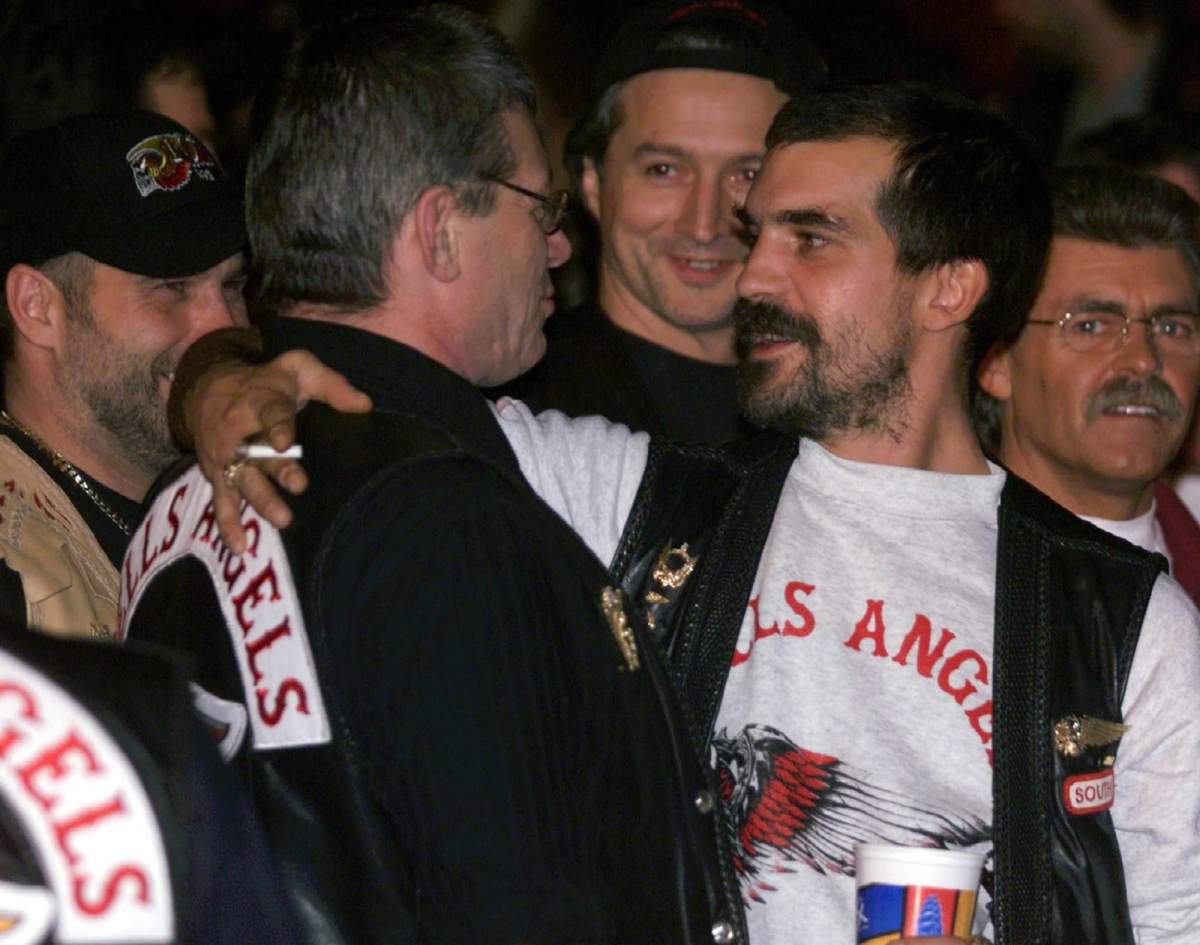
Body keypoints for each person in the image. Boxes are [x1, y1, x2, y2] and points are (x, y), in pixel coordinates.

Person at [169, 83, 1200, 944]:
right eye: (762, 237)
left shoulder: (1120, 627)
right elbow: (358, 368)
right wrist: (217, 376)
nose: (754, 275)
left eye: (811, 239)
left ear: (948, 289)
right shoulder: (640, 500)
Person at [119, 6, 731, 945]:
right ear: (441, 230)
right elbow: (526, 910)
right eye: (541, 209)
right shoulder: (445, 520)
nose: (561, 248)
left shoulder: (185, 486)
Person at [493, 0, 825, 443]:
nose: (703, 225)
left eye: (749, 174)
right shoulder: (511, 417)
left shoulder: (847, 410)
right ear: (593, 182)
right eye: (664, 170)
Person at [0, 110, 247, 639]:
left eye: (232, 286)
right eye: (172, 286)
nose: (224, 325)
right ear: (37, 307)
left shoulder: (251, 473)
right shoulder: (14, 570)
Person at [976, 165, 1200, 605]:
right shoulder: (918, 585)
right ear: (996, 362)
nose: (1143, 360)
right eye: (1091, 326)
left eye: (1172, 328)